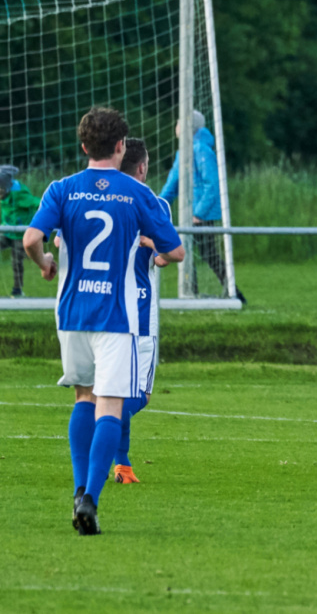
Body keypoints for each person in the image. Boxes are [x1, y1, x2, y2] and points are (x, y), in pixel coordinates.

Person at [23, 107, 184, 535]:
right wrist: (151, 244)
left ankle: (79, 489)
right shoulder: (135, 193)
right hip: (117, 315)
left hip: (73, 313)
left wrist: (45, 262)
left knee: (83, 397)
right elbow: (176, 251)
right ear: (120, 147)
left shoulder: (61, 189)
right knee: (110, 404)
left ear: (83, 147)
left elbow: (31, 239)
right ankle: (90, 499)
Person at [110, 138, 174, 485]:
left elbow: (59, 240)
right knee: (139, 396)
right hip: (140, 310)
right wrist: (151, 244)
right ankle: (103, 425)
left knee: (113, 389)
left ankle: (123, 465)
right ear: (143, 167)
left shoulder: (100, 198)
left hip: (104, 308)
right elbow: (164, 257)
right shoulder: (155, 203)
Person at [158, 110, 244, 303]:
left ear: (189, 125)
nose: (176, 126)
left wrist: (199, 213)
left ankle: (233, 292)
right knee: (188, 253)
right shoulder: (184, 151)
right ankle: (191, 292)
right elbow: (172, 185)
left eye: (179, 122)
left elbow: (212, 185)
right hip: (189, 214)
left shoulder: (202, 150)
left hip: (199, 215)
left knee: (208, 254)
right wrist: (155, 206)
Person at [0, 165, 41, 297]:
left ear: (6, 187)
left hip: (20, 234)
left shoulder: (20, 196)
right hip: (7, 232)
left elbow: (37, 202)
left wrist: (51, 210)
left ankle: (17, 290)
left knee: (16, 262)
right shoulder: (3, 195)